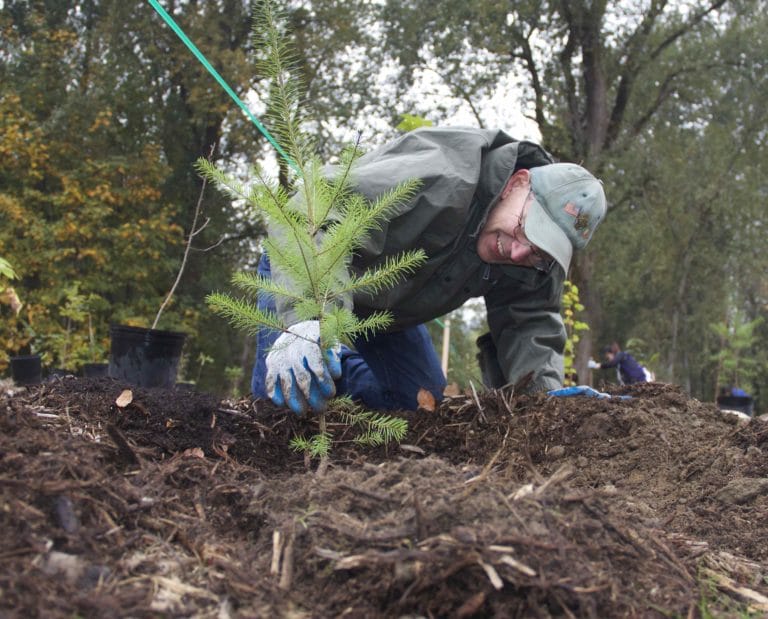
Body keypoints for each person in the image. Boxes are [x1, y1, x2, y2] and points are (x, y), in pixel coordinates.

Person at [254, 126, 607, 414]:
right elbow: (310, 213)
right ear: (516, 184)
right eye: (527, 230)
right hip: (311, 268)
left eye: (539, 250)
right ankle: (317, 361)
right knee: (284, 400)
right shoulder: (440, 176)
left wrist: (545, 403)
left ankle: (339, 372)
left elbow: (530, 321)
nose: (518, 252)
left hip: (390, 312)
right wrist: (309, 319)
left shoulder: (535, 260)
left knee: (418, 405)